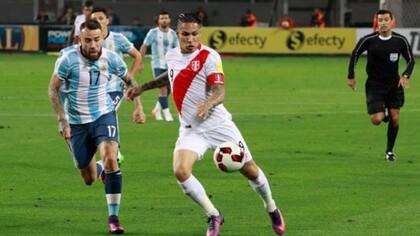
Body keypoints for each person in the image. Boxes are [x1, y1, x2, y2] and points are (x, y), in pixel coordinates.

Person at [127, 13, 285, 236]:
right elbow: (169, 77)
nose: (190, 39)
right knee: (181, 171)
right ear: (177, 33)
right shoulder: (172, 56)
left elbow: (220, 91)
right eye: (185, 34)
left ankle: (271, 207)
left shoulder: (209, 57)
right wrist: (142, 88)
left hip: (217, 125)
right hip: (191, 129)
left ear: (199, 33)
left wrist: (208, 103)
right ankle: (213, 215)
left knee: (250, 170)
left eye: (194, 34)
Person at [48, 19, 137, 234]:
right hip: (77, 123)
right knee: (87, 178)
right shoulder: (67, 60)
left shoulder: (111, 58)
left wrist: (138, 107)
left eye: (97, 40)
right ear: (80, 39)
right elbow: (53, 90)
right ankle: (99, 169)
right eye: (88, 40)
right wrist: (62, 120)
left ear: (102, 38)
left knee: (110, 156)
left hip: (103, 115)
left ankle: (113, 218)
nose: (93, 45)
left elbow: (130, 81)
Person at [347, 9, 415, 161]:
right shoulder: (369, 40)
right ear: (377, 22)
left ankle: (389, 151)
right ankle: (383, 114)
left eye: (386, 19)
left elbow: (411, 60)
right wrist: (351, 76)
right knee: (376, 120)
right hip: (375, 85)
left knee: (395, 118)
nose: (383, 23)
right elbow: (355, 54)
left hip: (394, 85)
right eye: (380, 20)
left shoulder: (400, 41)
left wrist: (406, 75)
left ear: (392, 22)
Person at [140, 11, 179, 121]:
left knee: (169, 89)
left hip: (170, 65)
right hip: (157, 64)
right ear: (158, 21)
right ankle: (167, 114)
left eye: (166, 18)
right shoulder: (153, 32)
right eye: (162, 18)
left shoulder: (173, 34)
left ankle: (157, 109)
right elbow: (144, 46)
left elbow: (177, 50)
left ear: (169, 20)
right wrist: (140, 62)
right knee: (162, 88)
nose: (164, 20)